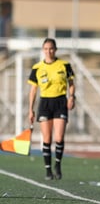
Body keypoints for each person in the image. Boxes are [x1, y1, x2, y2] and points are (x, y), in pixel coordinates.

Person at [28, 38, 76, 180]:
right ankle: (48, 170)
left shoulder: (64, 65)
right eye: (46, 49)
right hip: (45, 103)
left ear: (55, 49)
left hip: (60, 101)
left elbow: (71, 83)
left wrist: (72, 97)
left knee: (59, 137)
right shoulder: (37, 68)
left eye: (51, 49)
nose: (49, 51)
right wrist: (30, 109)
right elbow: (33, 90)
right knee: (47, 138)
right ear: (43, 50)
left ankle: (58, 165)